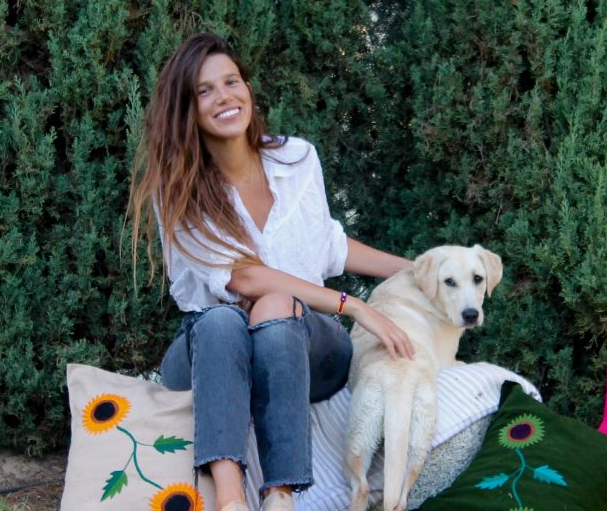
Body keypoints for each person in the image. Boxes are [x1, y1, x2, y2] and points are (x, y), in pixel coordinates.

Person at [128, 33, 415, 511]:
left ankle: (280, 497)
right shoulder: (178, 191)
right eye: (204, 91)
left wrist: (422, 270)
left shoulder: (297, 159)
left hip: (304, 347)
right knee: (223, 318)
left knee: (278, 307)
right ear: (186, 109)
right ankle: (230, 500)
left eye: (232, 81)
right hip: (213, 354)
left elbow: (330, 247)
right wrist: (354, 306)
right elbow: (243, 278)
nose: (224, 97)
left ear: (248, 88)